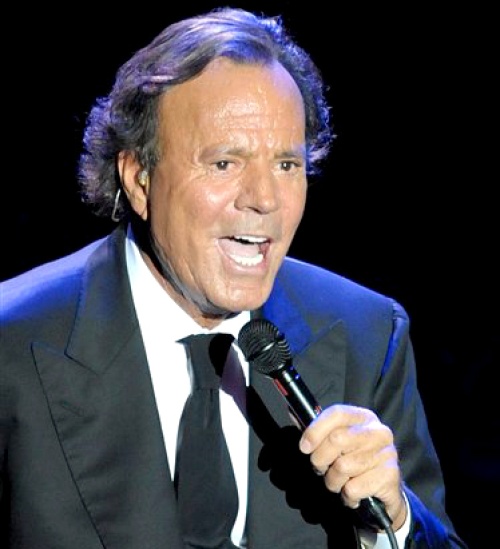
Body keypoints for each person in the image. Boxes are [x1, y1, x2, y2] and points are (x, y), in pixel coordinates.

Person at [0, 7, 467, 549]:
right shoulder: (13, 345)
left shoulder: (368, 336)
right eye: (224, 163)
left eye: (287, 165)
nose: (265, 199)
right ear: (139, 179)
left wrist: (394, 521)